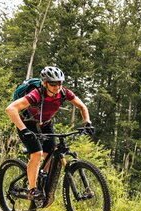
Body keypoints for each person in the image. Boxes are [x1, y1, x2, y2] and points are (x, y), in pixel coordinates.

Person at [5, 66, 93, 202]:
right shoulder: (36, 94)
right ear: (44, 83)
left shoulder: (63, 92)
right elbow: (10, 109)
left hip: (46, 124)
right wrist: (23, 130)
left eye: (59, 83)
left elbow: (82, 106)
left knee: (51, 155)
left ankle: (42, 180)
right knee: (37, 153)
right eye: (53, 84)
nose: (57, 87)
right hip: (27, 125)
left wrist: (87, 122)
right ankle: (32, 189)